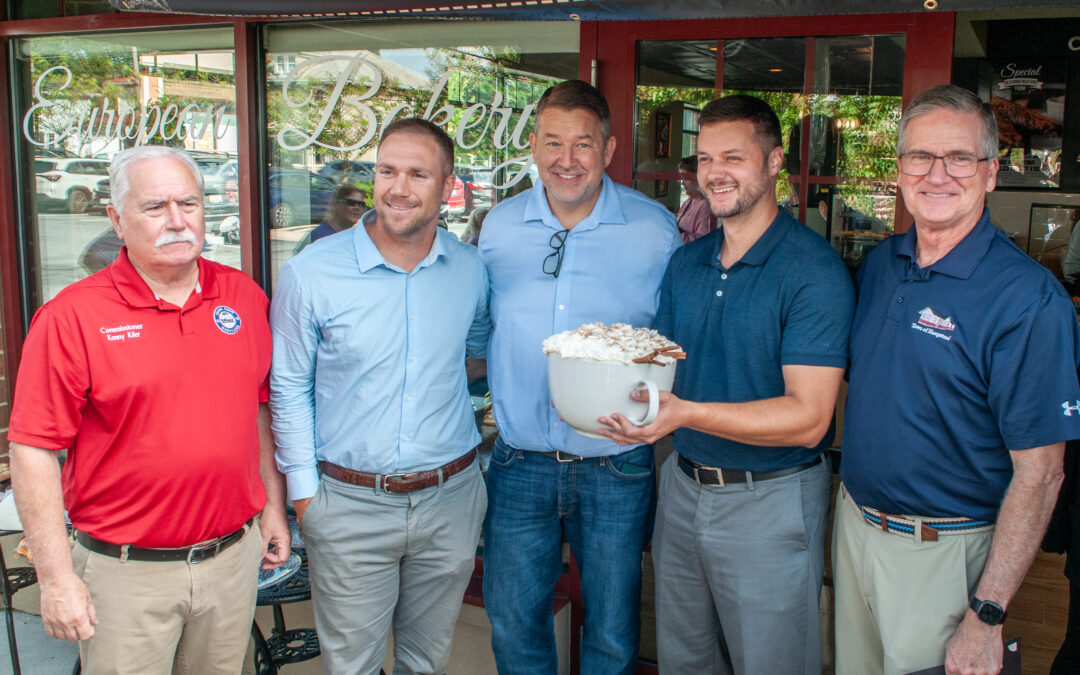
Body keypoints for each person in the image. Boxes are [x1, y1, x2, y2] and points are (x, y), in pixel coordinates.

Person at [8, 145, 289, 674]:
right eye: (155, 207)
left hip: (232, 560)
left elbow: (257, 411)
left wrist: (272, 507)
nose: (177, 221)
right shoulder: (72, 317)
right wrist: (56, 578)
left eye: (189, 203)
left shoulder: (241, 296)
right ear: (116, 219)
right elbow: (33, 450)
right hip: (126, 575)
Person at [599, 94, 854, 674]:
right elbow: (659, 369)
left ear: (774, 162)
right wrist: (591, 385)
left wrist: (685, 414)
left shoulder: (813, 271)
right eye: (706, 158)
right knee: (685, 661)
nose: (714, 172)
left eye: (733, 157)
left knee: (772, 663)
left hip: (771, 498)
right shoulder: (686, 264)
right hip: (683, 488)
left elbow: (810, 417)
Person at [834, 84, 1080, 675]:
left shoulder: (1029, 301)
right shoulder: (880, 266)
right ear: (900, 169)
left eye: (960, 158)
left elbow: (1042, 474)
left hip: (944, 553)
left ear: (991, 172)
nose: (937, 174)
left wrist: (987, 613)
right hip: (853, 527)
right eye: (921, 156)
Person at [270, 118, 490, 674]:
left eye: (418, 174)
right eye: (387, 171)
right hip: (349, 504)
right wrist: (305, 497)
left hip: (450, 500)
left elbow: (477, 352)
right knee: (353, 668)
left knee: (427, 663)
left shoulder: (469, 268)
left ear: (448, 186)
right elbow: (288, 387)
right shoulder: (312, 272)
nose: (398, 188)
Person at [478, 79, 681, 675]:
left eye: (583, 144)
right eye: (553, 142)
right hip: (519, 461)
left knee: (613, 633)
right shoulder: (498, 227)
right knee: (515, 625)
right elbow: (478, 325)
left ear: (609, 149)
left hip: (615, 462)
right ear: (533, 146)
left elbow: (673, 338)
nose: (567, 160)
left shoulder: (655, 230)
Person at [676, 155, 714, 243]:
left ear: (698, 179)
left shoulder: (706, 206)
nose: (682, 183)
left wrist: (674, 235)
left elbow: (704, 240)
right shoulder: (688, 201)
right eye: (681, 179)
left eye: (685, 178)